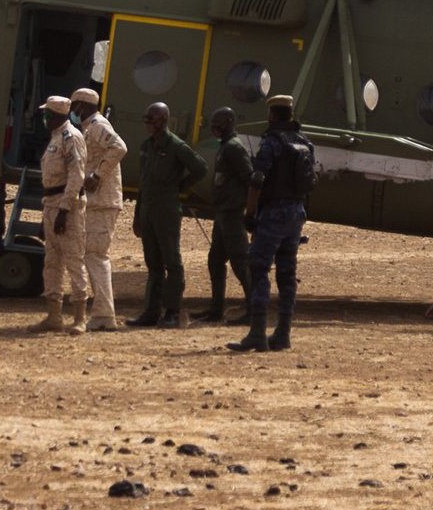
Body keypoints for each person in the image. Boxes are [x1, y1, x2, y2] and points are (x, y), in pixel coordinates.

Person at [227, 94, 314, 354]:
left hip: (273, 214)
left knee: (259, 269)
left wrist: (250, 213)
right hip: (296, 213)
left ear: (272, 115)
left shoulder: (271, 143)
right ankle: (283, 334)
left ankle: (257, 333)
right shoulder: (305, 143)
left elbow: (257, 180)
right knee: (287, 274)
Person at [122, 100, 210, 327]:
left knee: (172, 261)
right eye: (146, 119)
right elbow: (143, 183)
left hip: (167, 211)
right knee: (153, 264)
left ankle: (172, 311)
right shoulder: (147, 145)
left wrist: (179, 186)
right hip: (148, 211)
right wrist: (137, 217)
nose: (146, 124)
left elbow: (200, 168)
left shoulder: (176, 146)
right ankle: (151, 312)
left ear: (162, 120)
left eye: (150, 120)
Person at [67, 85, 129, 332]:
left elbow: (119, 147)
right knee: (91, 255)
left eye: (74, 107)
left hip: (103, 202)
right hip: (96, 201)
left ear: (81, 107)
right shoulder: (87, 127)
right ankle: (103, 313)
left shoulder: (98, 125)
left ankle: (104, 314)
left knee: (96, 255)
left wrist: (97, 175)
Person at [29, 92, 80, 333]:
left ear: (56, 116)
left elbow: (76, 177)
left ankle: (79, 318)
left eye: (46, 114)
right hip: (51, 203)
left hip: (65, 205)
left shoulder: (71, 138)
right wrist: (46, 216)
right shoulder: (55, 138)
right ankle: (54, 316)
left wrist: (64, 210)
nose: (44, 118)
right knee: (52, 262)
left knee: (73, 260)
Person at [200, 106, 255, 322]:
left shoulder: (234, 147)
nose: (215, 128)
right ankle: (216, 310)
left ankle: (253, 310)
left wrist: (248, 210)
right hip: (222, 213)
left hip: (232, 214)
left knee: (240, 263)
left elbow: (250, 178)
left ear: (230, 122)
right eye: (213, 124)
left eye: (219, 124)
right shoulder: (225, 146)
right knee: (215, 261)